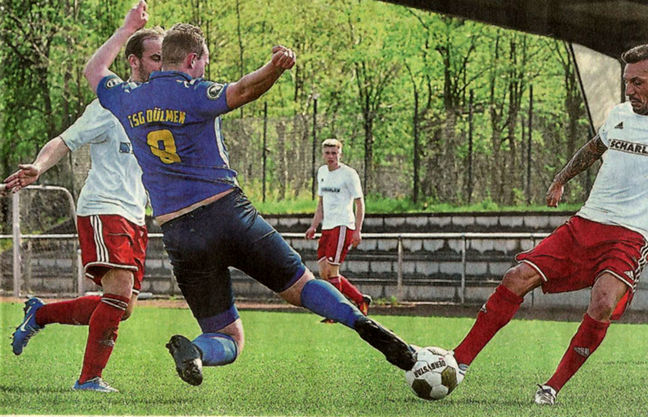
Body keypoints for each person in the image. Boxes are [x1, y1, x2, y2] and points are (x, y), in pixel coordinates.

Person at [83, 0, 414, 386]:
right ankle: (360, 322)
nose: (205, 67)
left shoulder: (128, 98)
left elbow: (93, 70)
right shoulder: (194, 91)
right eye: (204, 60)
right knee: (304, 287)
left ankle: (198, 350)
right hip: (227, 213)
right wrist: (275, 68)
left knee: (229, 338)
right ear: (192, 59)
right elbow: (243, 90)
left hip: (179, 233)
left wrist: (125, 30)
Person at [451, 37, 648, 405]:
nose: (630, 89)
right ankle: (457, 363)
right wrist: (561, 178)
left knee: (603, 301)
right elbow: (594, 147)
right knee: (516, 277)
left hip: (630, 236)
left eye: (638, 82)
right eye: (627, 81)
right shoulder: (618, 114)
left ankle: (552, 386)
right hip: (585, 224)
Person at [4, 23, 164, 392]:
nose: (162, 65)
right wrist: (39, 167)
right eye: (156, 58)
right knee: (119, 292)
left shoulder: (159, 110)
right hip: (103, 207)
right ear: (134, 62)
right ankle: (89, 379)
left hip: (135, 216)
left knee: (122, 307)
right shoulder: (111, 103)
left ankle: (40, 313)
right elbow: (65, 140)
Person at [305, 138, 371, 322]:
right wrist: (314, 225)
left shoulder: (349, 174)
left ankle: (335, 313)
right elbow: (321, 202)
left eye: (334, 153)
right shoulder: (323, 172)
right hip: (327, 227)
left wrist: (358, 230)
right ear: (323, 154)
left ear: (340, 154)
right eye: (328, 153)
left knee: (332, 273)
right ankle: (360, 299)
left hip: (343, 225)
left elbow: (360, 203)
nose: (331, 156)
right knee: (324, 272)